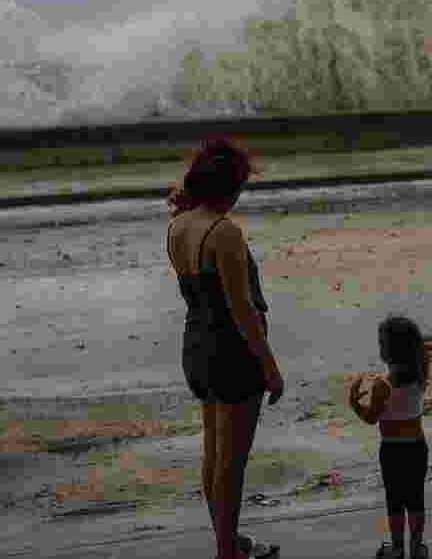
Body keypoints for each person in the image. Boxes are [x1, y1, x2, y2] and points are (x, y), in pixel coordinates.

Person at [166, 137, 285, 559]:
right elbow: (244, 313)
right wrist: (270, 368)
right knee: (232, 464)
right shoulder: (225, 232)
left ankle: (228, 542)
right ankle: (226, 552)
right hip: (233, 355)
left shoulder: (178, 225)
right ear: (231, 189)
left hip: (196, 347)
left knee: (213, 454)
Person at [349, 315, 432, 559]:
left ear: (388, 351)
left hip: (392, 450)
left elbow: (371, 418)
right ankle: (417, 547)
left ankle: (397, 548)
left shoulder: (383, 385)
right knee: (416, 497)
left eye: (381, 343)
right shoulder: (421, 374)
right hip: (418, 447)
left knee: (395, 499)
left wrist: (353, 403)